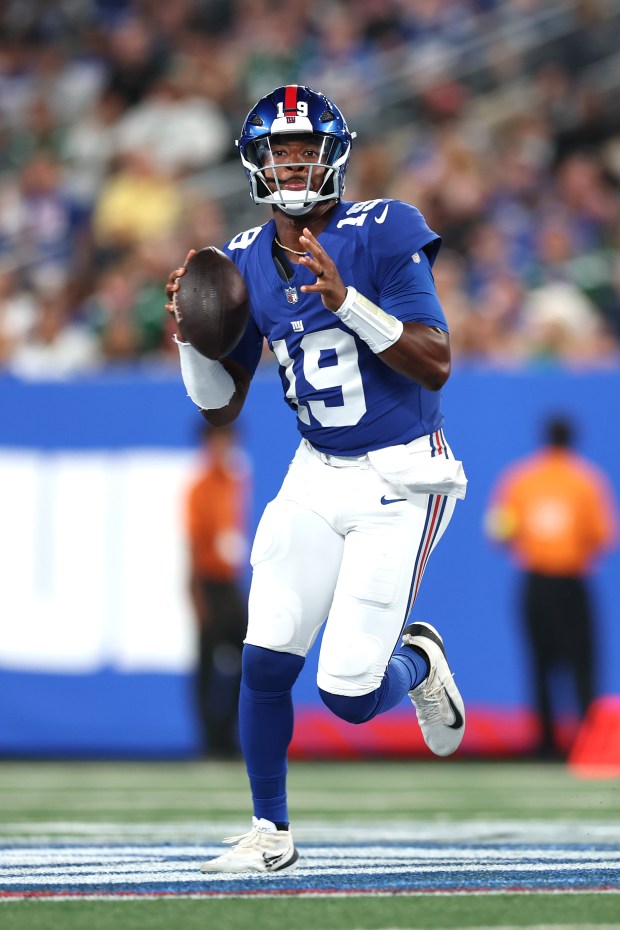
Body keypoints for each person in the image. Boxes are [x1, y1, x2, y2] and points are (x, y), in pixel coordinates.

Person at [165, 84, 467, 874]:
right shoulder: (238, 259)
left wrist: (348, 302)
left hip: (401, 475)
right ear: (257, 163)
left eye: (304, 149)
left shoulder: (382, 229)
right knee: (265, 655)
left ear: (333, 155)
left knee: (348, 695)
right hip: (314, 472)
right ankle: (271, 832)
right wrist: (193, 342)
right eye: (279, 151)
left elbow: (436, 360)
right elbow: (219, 410)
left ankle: (419, 664)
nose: (292, 162)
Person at [485, 415, 618, 759]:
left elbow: (499, 530)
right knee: (582, 663)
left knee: (540, 662)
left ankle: (545, 743)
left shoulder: (521, 479)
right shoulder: (586, 481)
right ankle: (589, 741)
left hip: (536, 583)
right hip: (572, 583)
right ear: (573, 440)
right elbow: (602, 536)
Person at [184, 421, 250, 759]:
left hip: (228, 582)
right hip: (207, 582)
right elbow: (193, 545)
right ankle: (210, 741)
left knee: (247, 658)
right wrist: (195, 594)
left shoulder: (235, 481)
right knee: (207, 666)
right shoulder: (200, 487)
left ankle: (230, 734)